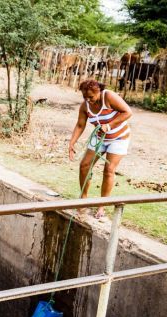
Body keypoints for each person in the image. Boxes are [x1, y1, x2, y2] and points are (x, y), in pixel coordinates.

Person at [68, 79, 133, 219]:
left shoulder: (108, 96)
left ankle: (102, 205)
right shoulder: (85, 106)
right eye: (85, 97)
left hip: (119, 138)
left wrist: (109, 125)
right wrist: (72, 143)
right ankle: (83, 199)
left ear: (99, 91)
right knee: (84, 165)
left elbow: (128, 112)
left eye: (91, 97)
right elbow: (80, 125)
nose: (88, 100)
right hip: (99, 137)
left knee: (108, 170)